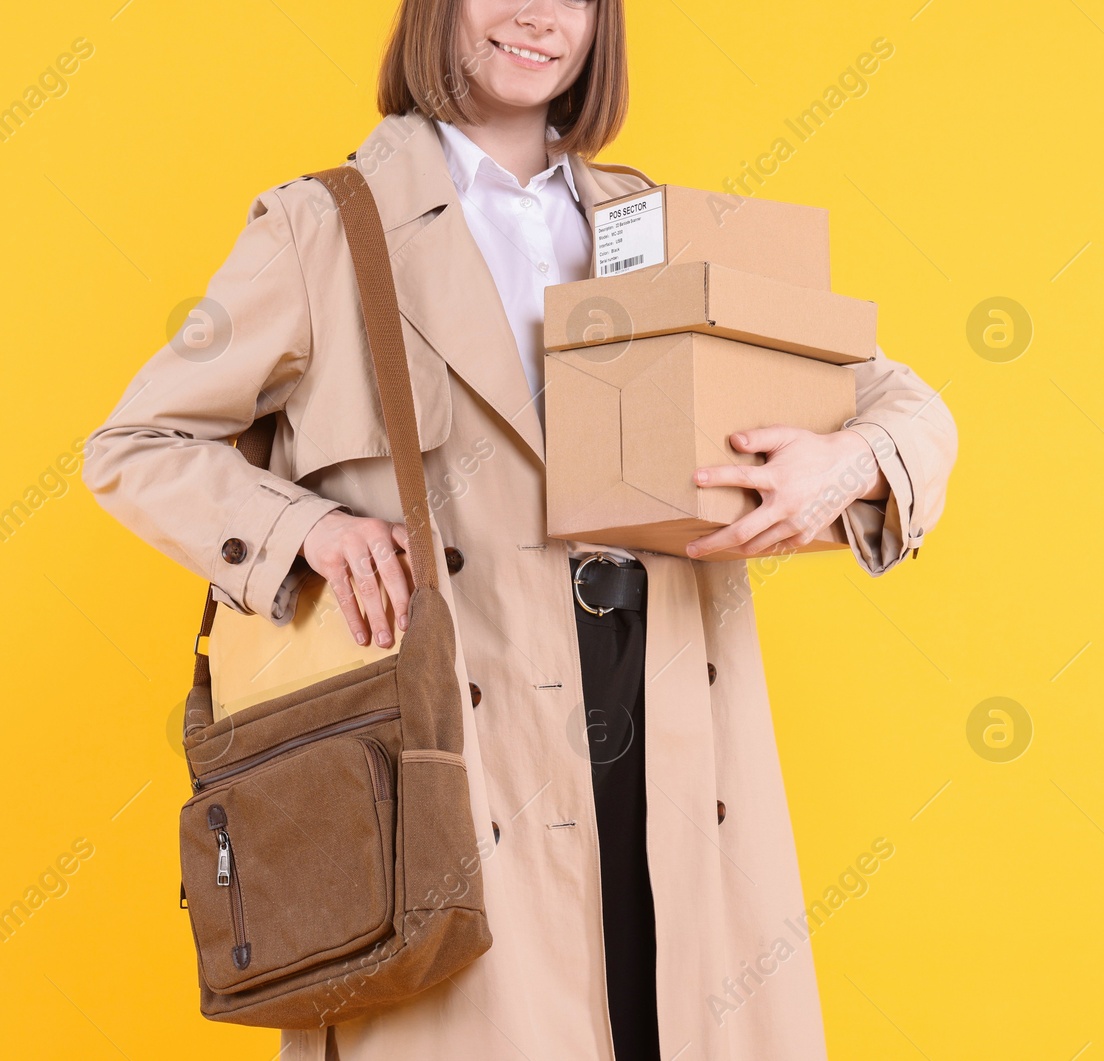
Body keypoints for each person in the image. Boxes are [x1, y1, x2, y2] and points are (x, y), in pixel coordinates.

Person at [82, 1, 957, 1058]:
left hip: (675, 747)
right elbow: (136, 443)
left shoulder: (657, 224)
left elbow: (900, 400)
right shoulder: (321, 227)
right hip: (464, 759)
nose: (540, 15)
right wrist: (303, 529)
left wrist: (848, 462)